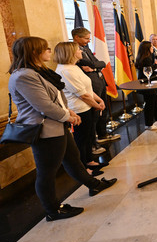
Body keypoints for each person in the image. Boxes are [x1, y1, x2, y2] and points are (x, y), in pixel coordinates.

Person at [8, 37, 116, 221]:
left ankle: (93, 184)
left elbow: (55, 98)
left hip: (57, 125)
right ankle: (53, 210)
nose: (50, 51)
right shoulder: (24, 76)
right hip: (44, 130)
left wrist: (67, 112)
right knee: (47, 172)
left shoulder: (37, 71)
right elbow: (44, 105)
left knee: (73, 160)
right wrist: (69, 116)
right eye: (46, 49)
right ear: (34, 52)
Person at [54, 42, 107, 176]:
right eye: (78, 50)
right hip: (78, 109)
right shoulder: (65, 70)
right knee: (81, 139)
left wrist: (98, 100)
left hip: (87, 106)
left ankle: (89, 160)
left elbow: (87, 89)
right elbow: (82, 95)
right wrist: (98, 105)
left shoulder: (73, 67)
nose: (81, 52)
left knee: (89, 136)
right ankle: (83, 167)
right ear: (70, 53)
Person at [71, 28, 119, 151]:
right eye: (86, 38)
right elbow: (91, 64)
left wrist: (94, 67)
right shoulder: (73, 50)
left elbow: (100, 63)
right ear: (76, 37)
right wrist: (94, 66)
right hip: (90, 84)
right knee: (94, 113)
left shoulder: (86, 48)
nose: (88, 41)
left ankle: (102, 134)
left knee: (104, 109)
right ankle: (93, 143)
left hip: (99, 81)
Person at [135, 41, 157, 129]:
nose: (152, 48)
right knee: (150, 104)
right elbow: (149, 71)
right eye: (151, 47)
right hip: (147, 83)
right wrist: (156, 64)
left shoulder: (143, 57)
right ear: (147, 49)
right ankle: (148, 124)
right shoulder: (146, 59)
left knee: (155, 101)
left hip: (147, 83)